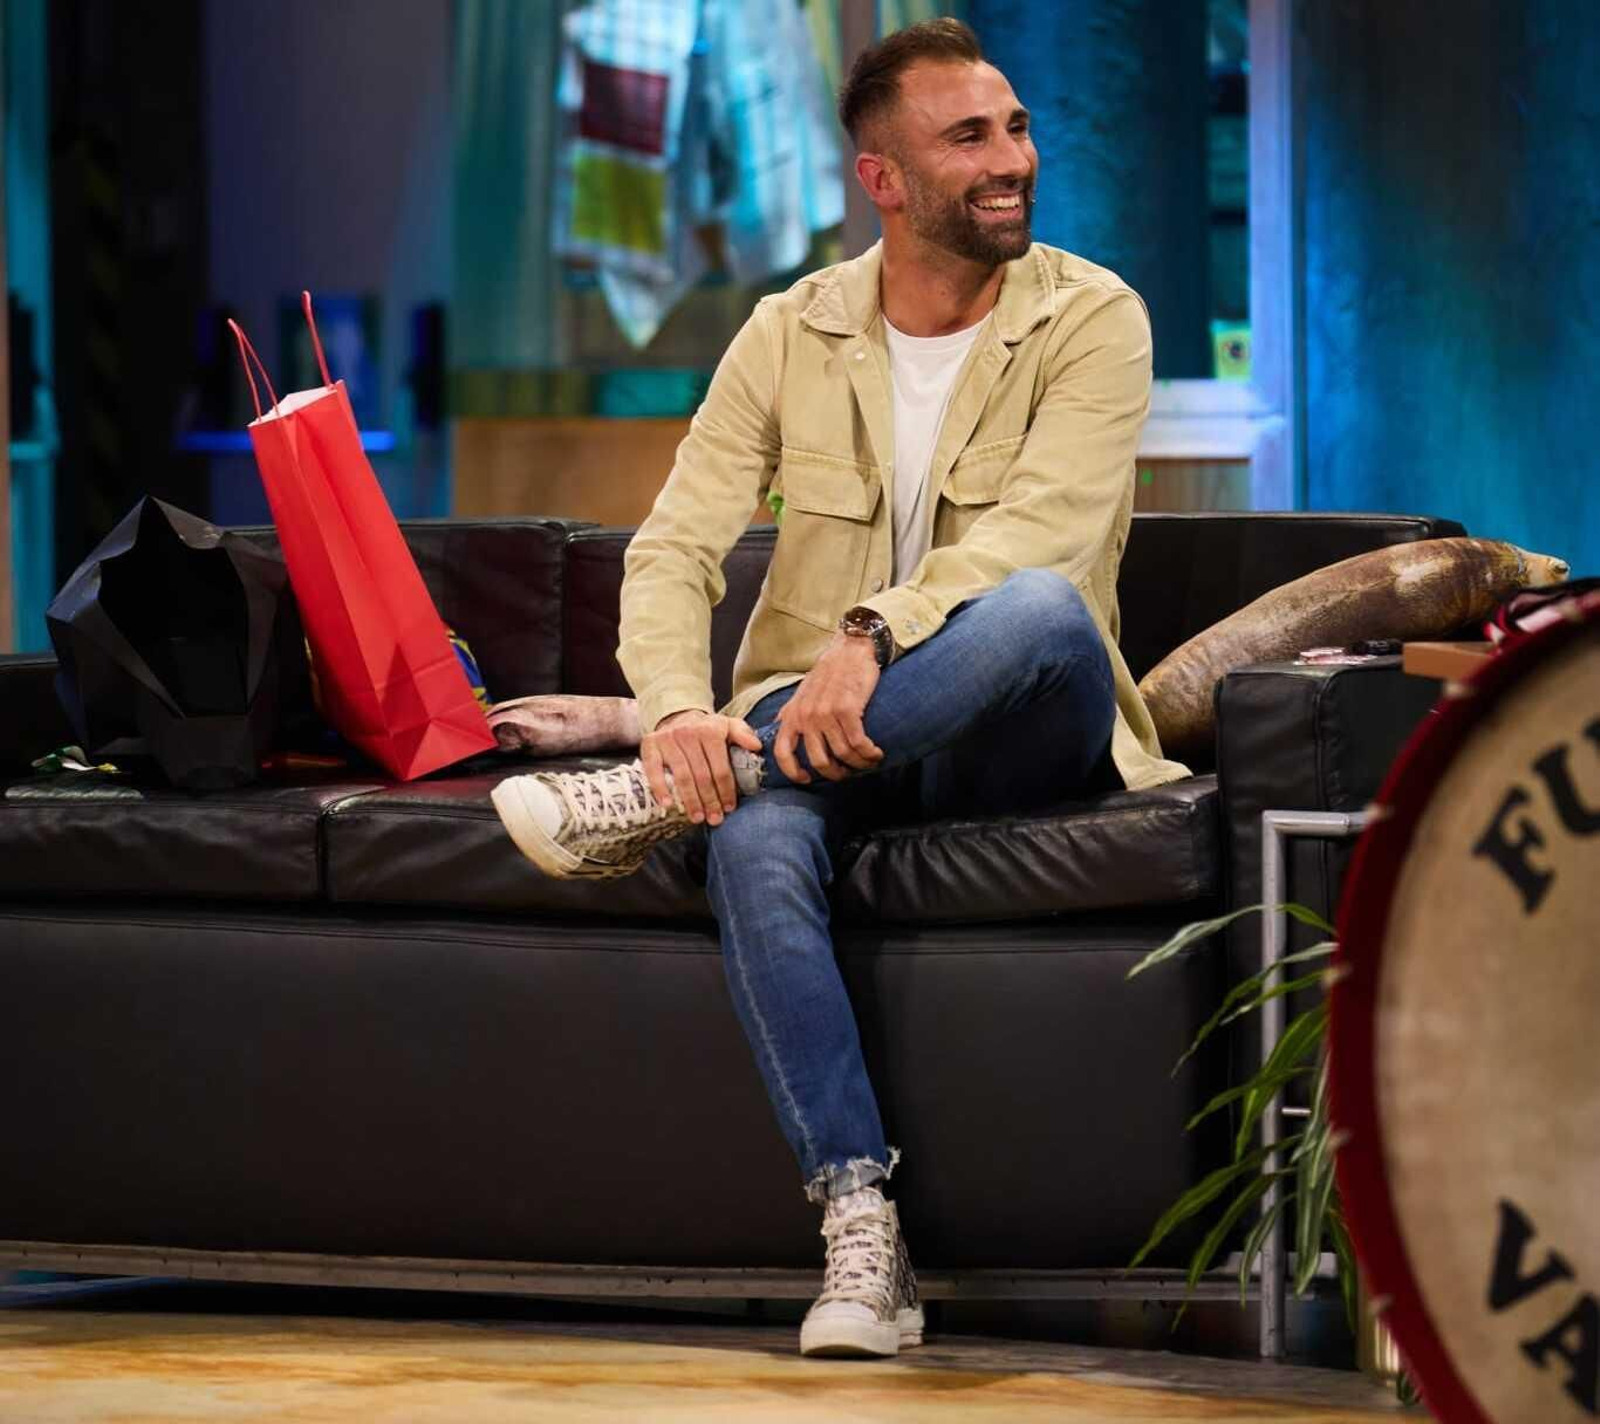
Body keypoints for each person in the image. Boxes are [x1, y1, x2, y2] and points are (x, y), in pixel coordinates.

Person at [491, 17, 1189, 1359]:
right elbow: (677, 545)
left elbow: (1038, 535)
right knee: (752, 843)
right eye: (970, 138)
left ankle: (666, 784)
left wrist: (874, 633)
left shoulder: (1093, 317)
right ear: (883, 179)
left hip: (1012, 731)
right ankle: (861, 1232)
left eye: (1017, 129)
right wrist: (684, 704)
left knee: (1038, 605)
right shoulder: (787, 331)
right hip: (815, 747)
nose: (1014, 161)